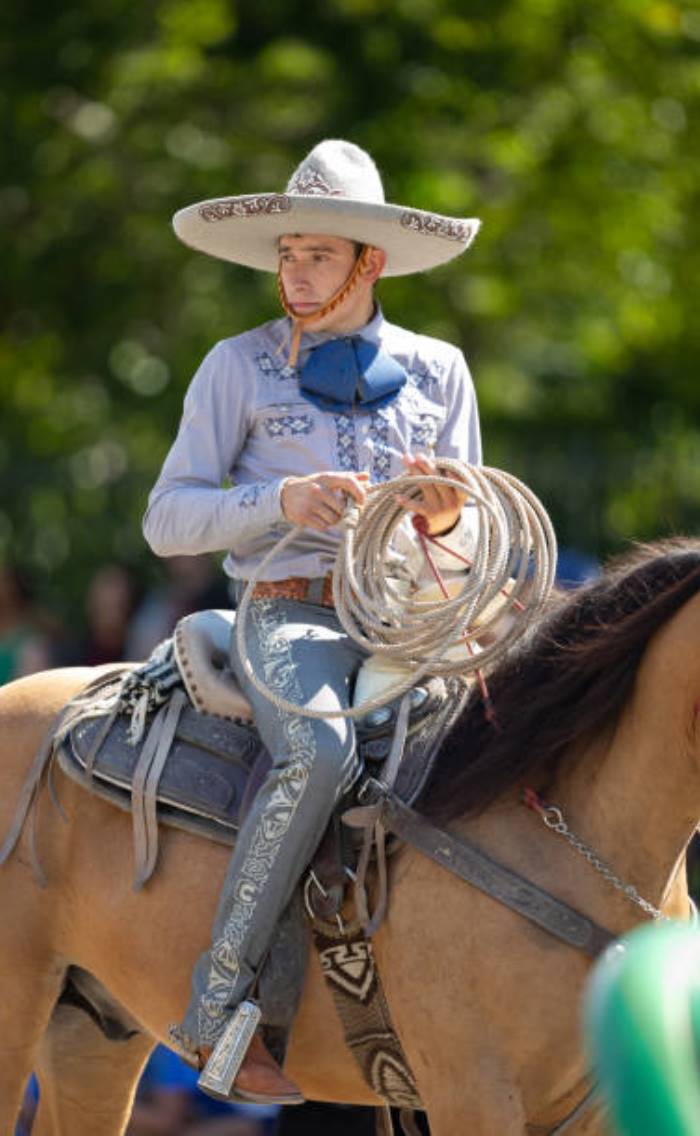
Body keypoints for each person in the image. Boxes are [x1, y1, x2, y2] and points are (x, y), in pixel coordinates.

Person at [143, 139, 482, 1104]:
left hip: (412, 625)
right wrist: (278, 502)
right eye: (287, 253)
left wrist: (446, 514)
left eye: (317, 256)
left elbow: (465, 535)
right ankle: (215, 1007)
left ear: (368, 263)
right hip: (287, 616)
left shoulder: (440, 370)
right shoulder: (234, 367)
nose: (294, 273)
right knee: (322, 756)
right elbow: (165, 520)